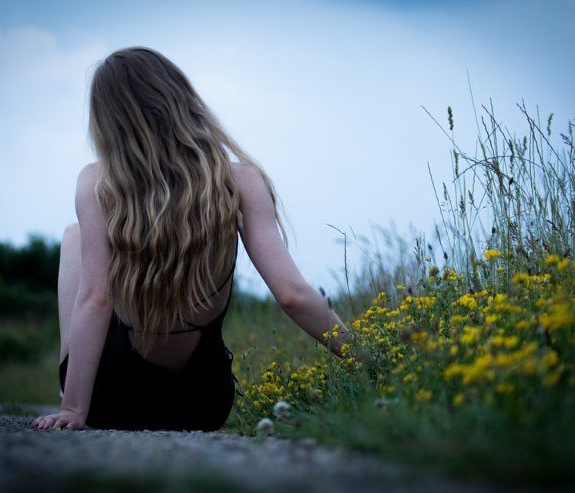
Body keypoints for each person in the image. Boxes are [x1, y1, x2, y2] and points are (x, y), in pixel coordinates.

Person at [32, 47, 357, 432]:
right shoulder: (240, 181)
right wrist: (372, 363)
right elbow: (292, 294)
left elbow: (96, 298)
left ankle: (69, 397)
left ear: (108, 118)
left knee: (75, 236)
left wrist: (74, 411)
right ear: (180, 100)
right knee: (83, 236)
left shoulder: (96, 183)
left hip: (112, 398)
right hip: (202, 403)